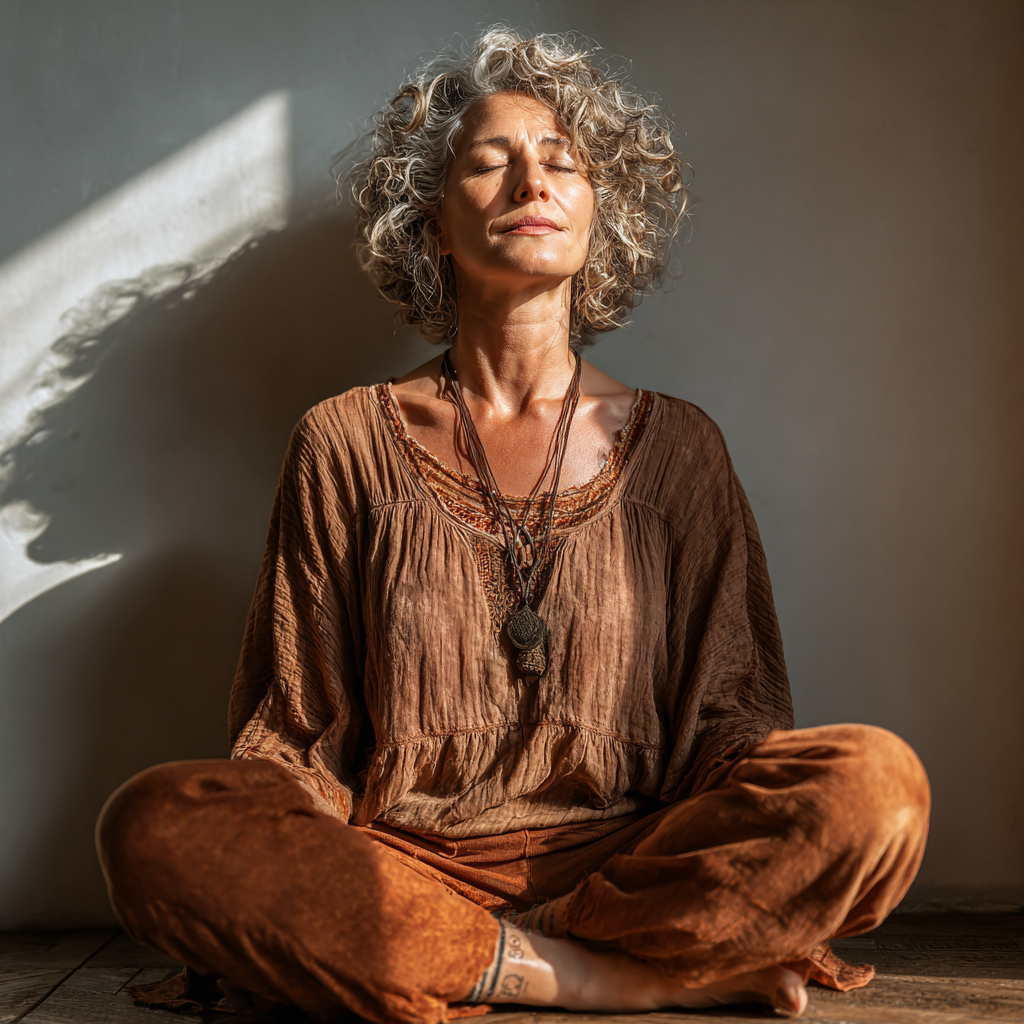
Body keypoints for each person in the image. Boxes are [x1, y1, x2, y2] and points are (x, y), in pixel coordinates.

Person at [96, 27, 930, 1024]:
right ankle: (621, 979)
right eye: (487, 164)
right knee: (151, 824)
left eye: (560, 163)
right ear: (431, 225)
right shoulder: (342, 440)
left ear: (598, 213)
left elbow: (730, 725)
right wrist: (270, 861)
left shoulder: (681, 451)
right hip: (397, 867)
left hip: (633, 861)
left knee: (880, 785)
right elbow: (297, 738)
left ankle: (473, 963)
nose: (529, 180)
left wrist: (775, 837)